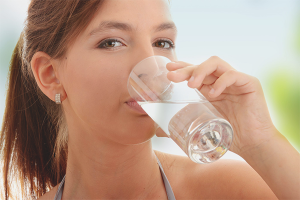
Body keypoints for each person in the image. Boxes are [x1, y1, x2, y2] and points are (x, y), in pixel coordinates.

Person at [0, 0, 299, 199]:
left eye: (162, 43)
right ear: (51, 74)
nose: (149, 63)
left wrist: (262, 145)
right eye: (112, 42)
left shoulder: (225, 190)